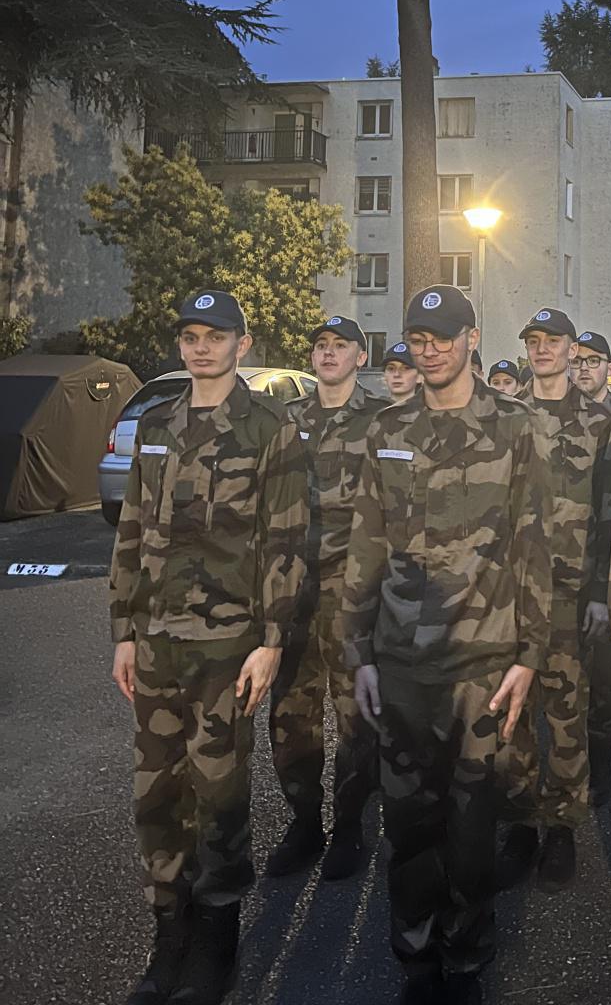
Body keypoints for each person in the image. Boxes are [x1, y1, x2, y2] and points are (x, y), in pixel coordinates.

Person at [339, 285, 552, 1005]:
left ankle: (467, 960)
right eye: (417, 337)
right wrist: (358, 654)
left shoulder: (518, 429)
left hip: (483, 663)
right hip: (400, 663)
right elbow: (364, 544)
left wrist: (529, 654)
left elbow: (536, 548)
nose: (428, 349)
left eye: (441, 335)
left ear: (470, 337)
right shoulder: (385, 429)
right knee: (408, 827)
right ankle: (417, 961)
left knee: (471, 829)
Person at [110, 290, 308, 1005]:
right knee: (156, 795)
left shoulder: (268, 427)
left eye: (215, 336)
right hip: (158, 640)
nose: (201, 347)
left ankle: (215, 943)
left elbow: (286, 539)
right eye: (191, 336)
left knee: (219, 794)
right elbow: (131, 529)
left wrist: (273, 640)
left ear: (241, 345)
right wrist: (122, 632)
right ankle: (170, 937)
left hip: (229, 642)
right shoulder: (158, 424)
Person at [497, 308, 611, 889]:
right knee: (511, 713)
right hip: (510, 592)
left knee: (566, 712)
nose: (542, 350)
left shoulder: (600, 421)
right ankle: (520, 822)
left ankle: (562, 826)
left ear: (573, 349)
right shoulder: (503, 417)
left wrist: (600, 594)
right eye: (534, 341)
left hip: (569, 591)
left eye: (553, 341)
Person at [264, 316, 381, 883]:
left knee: (354, 715)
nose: (329, 353)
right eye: (321, 345)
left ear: (361, 357)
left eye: (341, 346)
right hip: (291, 587)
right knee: (290, 714)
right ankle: (305, 821)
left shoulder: (380, 421)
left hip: (351, 589)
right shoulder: (286, 420)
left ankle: (350, 826)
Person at [570, 329, 611, 806]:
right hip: (559, 574)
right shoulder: (559, 419)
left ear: (609, 368)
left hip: (605, 573)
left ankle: (601, 771)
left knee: (604, 682)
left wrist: (603, 589)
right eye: (579, 360)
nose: (584, 368)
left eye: (594, 361)